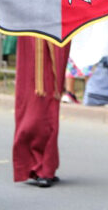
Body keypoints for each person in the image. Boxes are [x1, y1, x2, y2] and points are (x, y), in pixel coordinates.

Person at [13, 37, 70, 187]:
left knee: (47, 101)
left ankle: (44, 167)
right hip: (31, 34)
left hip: (55, 35)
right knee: (32, 103)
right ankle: (40, 164)